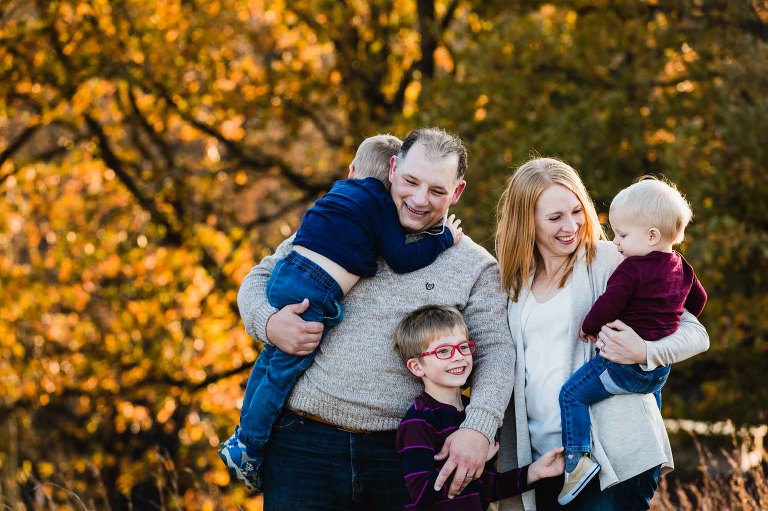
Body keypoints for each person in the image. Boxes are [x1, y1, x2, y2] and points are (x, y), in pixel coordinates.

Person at [236, 127, 516, 510]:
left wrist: (478, 427)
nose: (419, 200)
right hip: (304, 441)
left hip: (407, 451)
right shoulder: (344, 223)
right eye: (410, 182)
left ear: (457, 192)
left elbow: (497, 352)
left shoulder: (474, 266)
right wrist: (267, 323)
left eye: (436, 191)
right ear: (393, 168)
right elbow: (260, 277)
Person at [493, 157, 710, 511]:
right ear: (525, 221)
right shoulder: (511, 284)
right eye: (554, 218)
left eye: (577, 211)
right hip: (545, 460)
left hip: (614, 456)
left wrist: (644, 352)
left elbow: (696, 334)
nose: (571, 226)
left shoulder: (617, 259)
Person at [557, 177, 707, 504]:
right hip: (656, 375)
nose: (616, 242)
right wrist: (667, 318)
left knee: (571, 394)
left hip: (621, 367)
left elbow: (610, 303)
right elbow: (698, 301)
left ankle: (577, 461)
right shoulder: (682, 267)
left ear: (652, 235)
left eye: (622, 235)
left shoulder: (631, 269)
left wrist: (590, 325)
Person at [394, 304, 565, 511]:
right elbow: (422, 493)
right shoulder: (419, 420)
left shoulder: (476, 418)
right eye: (444, 351)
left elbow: (487, 488)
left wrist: (535, 472)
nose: (458, 356)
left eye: (463, 347)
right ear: (417, 367)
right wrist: (476, 461)